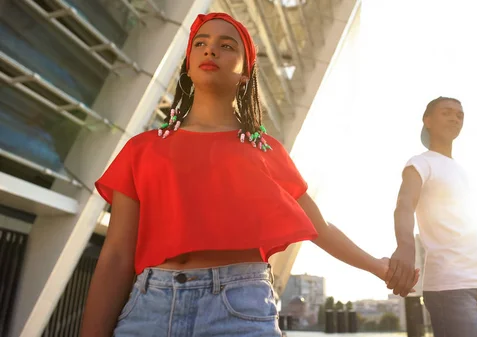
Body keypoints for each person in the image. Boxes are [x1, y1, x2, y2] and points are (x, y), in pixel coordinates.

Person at [80, 13, 418, 337]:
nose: (210, 49)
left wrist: (380, 268)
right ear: (188, 65)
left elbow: (320, 227)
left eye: (227, 46)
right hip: (149, 310)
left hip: (239, 309)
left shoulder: (265, 151)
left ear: (245, 72)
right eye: (200, 43)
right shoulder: (142, 149)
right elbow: (116, 255)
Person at [385, 97, 477, 336]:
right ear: (427, 121)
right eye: (447, 112)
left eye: (460, 115)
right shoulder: (420, 163)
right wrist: (405, 247)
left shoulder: (465, 172)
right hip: (450, 289)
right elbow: (404, 205)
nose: (455, 118)